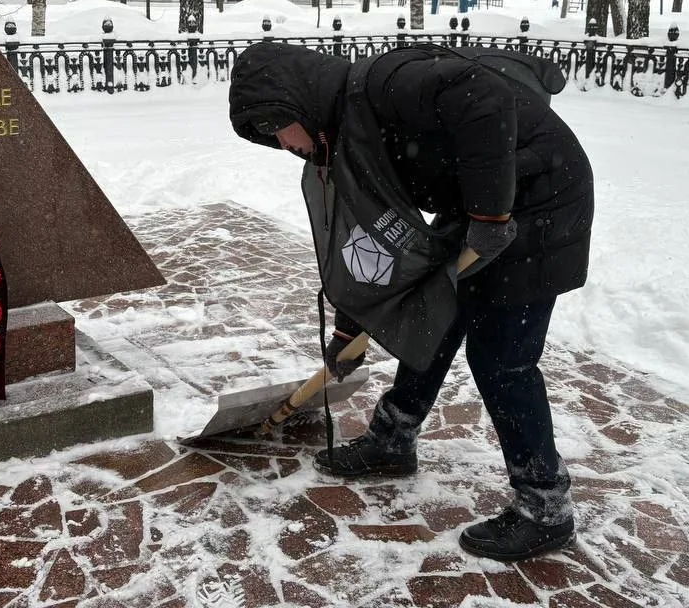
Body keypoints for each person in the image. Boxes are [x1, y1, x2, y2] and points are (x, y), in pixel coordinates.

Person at [228, 40, 594, 562]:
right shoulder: (348, 138)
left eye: (274, 126)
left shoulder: (384, 84)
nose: (282, 143)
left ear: (296, 101)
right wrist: (348, 331)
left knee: (502, 360)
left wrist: (490, 215)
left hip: (539, 203)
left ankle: (545, 506)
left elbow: (484, 94)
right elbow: (371, 246)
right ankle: (392, 438)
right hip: (480, 204)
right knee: (432, 317)